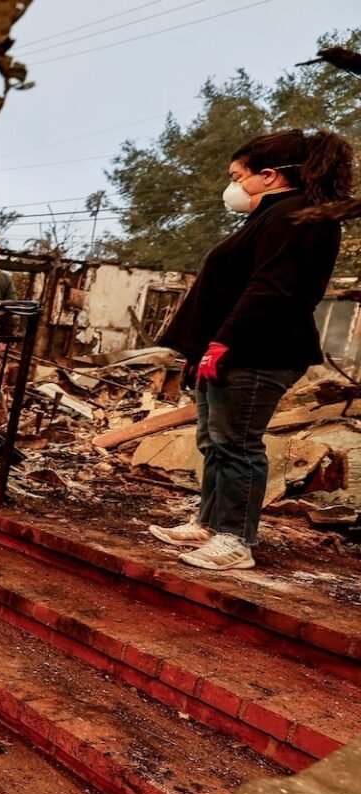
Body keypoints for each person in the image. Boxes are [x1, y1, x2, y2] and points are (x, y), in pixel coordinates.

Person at [151, 128, 353, 572]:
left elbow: (270, 289)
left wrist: (224, 342)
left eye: (237, 176)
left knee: (237, 445)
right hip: (233, 349)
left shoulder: (295, 217)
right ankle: (209, 523)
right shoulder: (271, 217)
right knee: (215, 442)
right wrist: (200, 346)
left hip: (259, 352)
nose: (234, 186)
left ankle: (235, 540)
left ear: (268, 175)